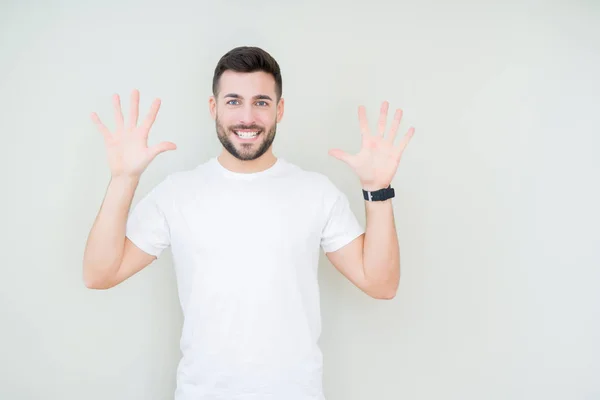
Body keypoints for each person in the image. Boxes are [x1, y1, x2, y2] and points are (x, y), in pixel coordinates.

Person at [83, 46, 415, 400]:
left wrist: (377, 190)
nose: (247, 117)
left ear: (279, 109)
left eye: (260, 102)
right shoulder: (177, 193)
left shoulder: (315, 192)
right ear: (213, 108)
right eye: (233, 101)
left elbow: (381, 284)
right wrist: (122, 179)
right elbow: (99, 274)